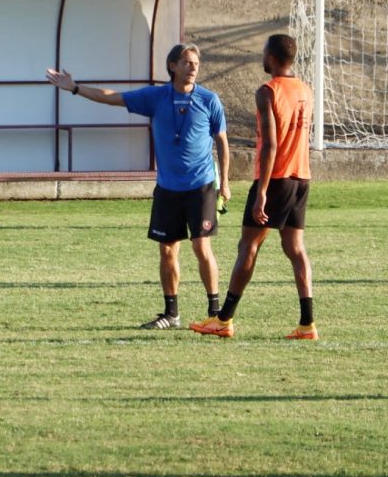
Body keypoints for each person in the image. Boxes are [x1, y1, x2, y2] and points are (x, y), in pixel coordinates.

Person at [46, 44, 231, 329]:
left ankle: (216, 314)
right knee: (167, 250)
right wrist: (75, 88)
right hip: (168, 188)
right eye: (186, 62)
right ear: (172, 66)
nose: (193, 67)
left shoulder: (209, 100)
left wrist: (226, 183)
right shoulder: (155, 96)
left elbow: (222, 141)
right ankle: (172, 314)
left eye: (196, 62)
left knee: (201, 246)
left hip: (201, 185)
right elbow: (113, 98)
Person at [189, 34, 318, 340]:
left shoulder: (267, 91)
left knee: (248, 245)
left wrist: (261, 191)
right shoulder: (306, 90)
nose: (261, 57)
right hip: (301, 176)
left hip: (276, 179)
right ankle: (307, 324)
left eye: (263, 53)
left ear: (271, 57)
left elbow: (271, 145)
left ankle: (224, 319)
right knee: (295, 249)